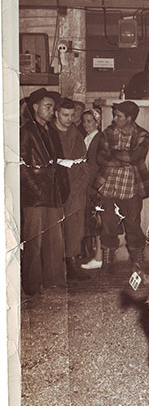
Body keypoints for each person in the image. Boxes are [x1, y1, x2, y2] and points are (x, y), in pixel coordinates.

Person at [20, 89, 70, 295]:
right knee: (34, 240)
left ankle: (54, 280)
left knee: (54, 239)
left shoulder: (50, 131)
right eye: (47, 107)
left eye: (52, 107)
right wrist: (35, 186)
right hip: (35, 195)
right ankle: (32, 284)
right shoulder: (26, 131)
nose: (51, 111)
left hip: (52, 192)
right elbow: (21, 164)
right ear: (35, 108)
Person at [95, 101, 149, 272]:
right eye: (115, 115)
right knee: (108, 225)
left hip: (132, 187)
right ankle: (107, 263)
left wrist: (115, 153)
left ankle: (138, 263)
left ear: (130, 118)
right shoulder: (107, 133)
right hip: (109, 186)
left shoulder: (143, 134)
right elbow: (101, 158)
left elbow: (135, 157)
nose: (114, 119)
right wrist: (123, 158)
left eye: (119, 116)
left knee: (133, 225)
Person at [52, 98, 89, 281]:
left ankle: (72, 261)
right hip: (56, 186)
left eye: (72, 115)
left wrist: (82, 181)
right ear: (56, 114)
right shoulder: (49, 134)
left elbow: (83, 159)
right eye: (65, 115)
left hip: (76, 186)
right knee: (56, 227)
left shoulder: (76, 134)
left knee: (76, 227)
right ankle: (56, 266)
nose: (69, 119)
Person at [80, 109, 104, 270]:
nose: (86, 124)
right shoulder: (88, 138)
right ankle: (96, 255)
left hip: (94, 185)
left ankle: (99, 257)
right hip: (88, 184)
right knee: (93, 221)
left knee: (99, 222)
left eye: (90, 121)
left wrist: (93, 184)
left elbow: (97, 164)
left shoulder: (99, 138)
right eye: (84, 121)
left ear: (97, 122)